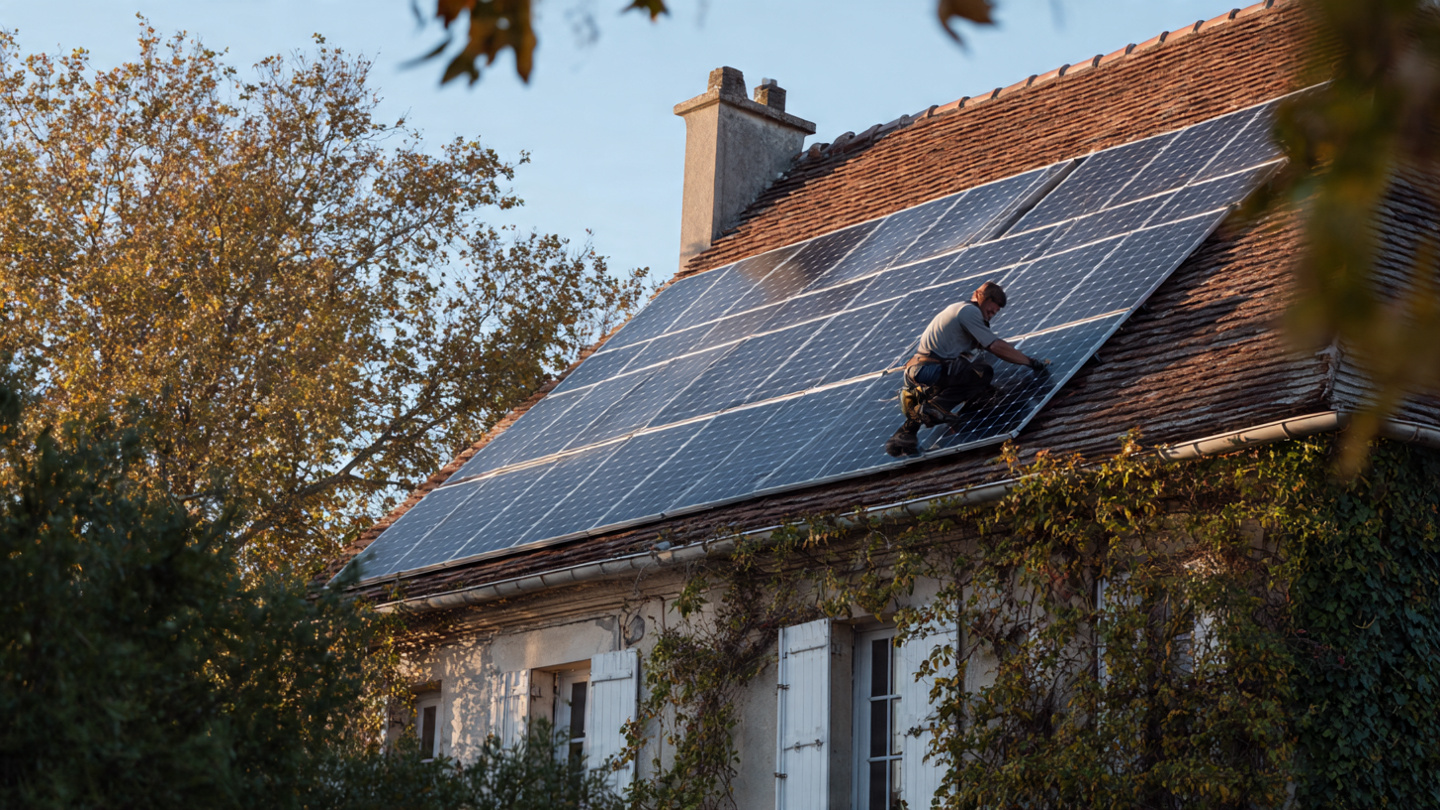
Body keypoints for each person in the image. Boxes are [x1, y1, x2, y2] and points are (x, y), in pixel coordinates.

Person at [884, 281, 1049, 457]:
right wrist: (1030, 362)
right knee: (982, 373)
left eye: (994, 313)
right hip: (930, 369)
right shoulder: (969, 311)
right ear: (979, 297)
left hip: (920, 371)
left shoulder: (959, 310)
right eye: (990, 310)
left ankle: (903, 436)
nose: (991, 315)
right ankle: (933, 407)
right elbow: (994, 346)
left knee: (968, 374)